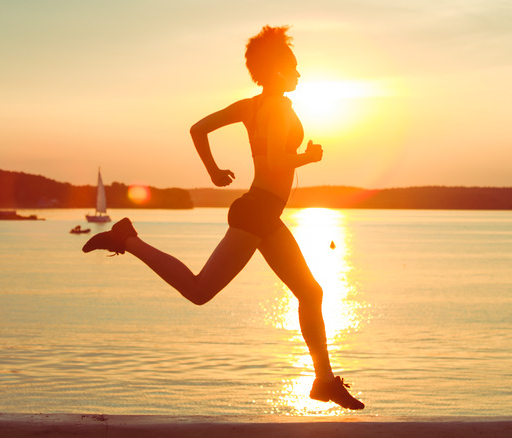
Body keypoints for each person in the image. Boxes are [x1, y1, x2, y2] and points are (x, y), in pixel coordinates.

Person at [83, 25, 364, 410]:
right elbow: (275, 161)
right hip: (258, 211)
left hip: (261, 211)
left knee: (310, 292)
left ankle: (323, 380)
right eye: (294, 67)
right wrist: (308, 157)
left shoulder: (250, 106)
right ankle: (126, 239)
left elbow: (198, 129)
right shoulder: (280, 109)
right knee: (200, 291)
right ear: (278, 70)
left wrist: (214, 171)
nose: (299, 74)